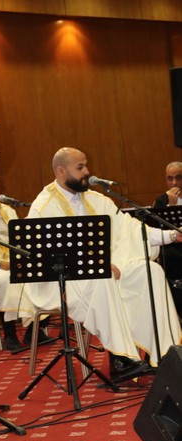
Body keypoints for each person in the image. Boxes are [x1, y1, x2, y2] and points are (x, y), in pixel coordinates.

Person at [26, 148, 182, 381]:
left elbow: (130, 229)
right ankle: (120, 359)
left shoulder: (96, 199)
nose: (87, 172)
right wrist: (97, 264)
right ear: (61, 171)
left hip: (105, 271)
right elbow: (47, 254)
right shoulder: (44, 206)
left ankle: (163, 354)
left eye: (86, 165)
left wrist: (171, 235)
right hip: (67, 280)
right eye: (80, 167)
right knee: (103, 275)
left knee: (150, 271)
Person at [0, 175, 35, 351]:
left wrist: (18, 260)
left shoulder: (8, 210)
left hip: (12, 264)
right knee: (6, 279)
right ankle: (10, 334)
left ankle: (35, 331)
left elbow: (20, 239)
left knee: (43, 274)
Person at [152, 162, 182, 318]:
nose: (174, 183)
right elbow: (155, 229)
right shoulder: (161, 201)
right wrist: (169, 205)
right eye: (170, 179)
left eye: (178, 178)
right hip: (172, 249)